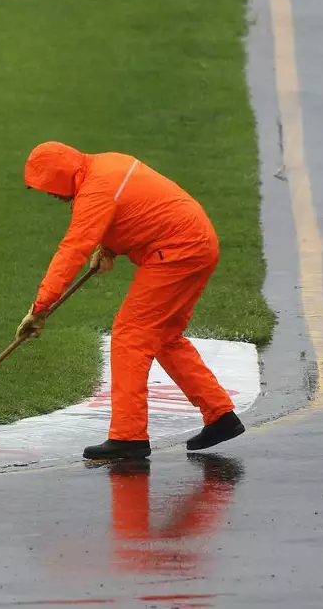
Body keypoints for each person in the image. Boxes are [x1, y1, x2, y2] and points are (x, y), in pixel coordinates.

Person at [14, 141, 245, 460]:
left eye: (49, 186)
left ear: (60, 174)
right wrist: (108, 248)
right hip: (196, 244)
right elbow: (137, 210)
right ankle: (220, 416)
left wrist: (39, 309)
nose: (50, 194)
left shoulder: (96, 188)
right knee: (163, 337)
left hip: (178, 252)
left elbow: (72, 250)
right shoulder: (106, 165)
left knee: (130, 336)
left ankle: (128, 436)